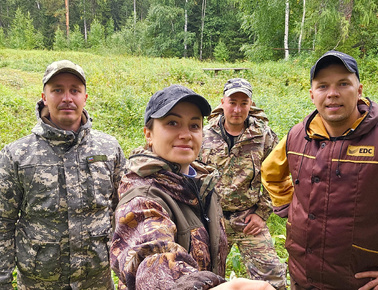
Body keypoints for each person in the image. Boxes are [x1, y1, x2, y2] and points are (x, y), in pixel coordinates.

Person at [261, 50, 378, 289]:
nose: (332, 93)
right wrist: (289, 209)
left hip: (362, 284)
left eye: (343, 83)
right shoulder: (297, 136)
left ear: (360, 90)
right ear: (312, 94)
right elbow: (270, 173)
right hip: (302, 278)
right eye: (323, 86)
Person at [110, 84, 274, 290]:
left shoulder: (201, 182)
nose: (186, 134)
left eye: (194, 125)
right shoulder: (144, 197)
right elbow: (151, 258)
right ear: (148, 134)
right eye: (172, 123)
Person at [0, 60, 127, 289]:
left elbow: (124, 211)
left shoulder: (109, 149)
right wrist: (0, 281)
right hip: (38, 282)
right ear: (44, 96)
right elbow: (0, 222)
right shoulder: (17, 155)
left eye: (75, 90)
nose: (67, 98)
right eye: (58, 90)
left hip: (97, 280)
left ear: (85, 97)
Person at [198, 78, 287, 289]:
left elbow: (276, 176)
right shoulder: (203, 135)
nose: (237, 109)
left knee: (273, 277)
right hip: (212, 220)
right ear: (222, 102)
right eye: (232, 102)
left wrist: (262, 213)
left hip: (247, 220)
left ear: (251, 105)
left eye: (243, 103)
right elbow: (192, 176)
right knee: (203, 278)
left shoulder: (264, 137)